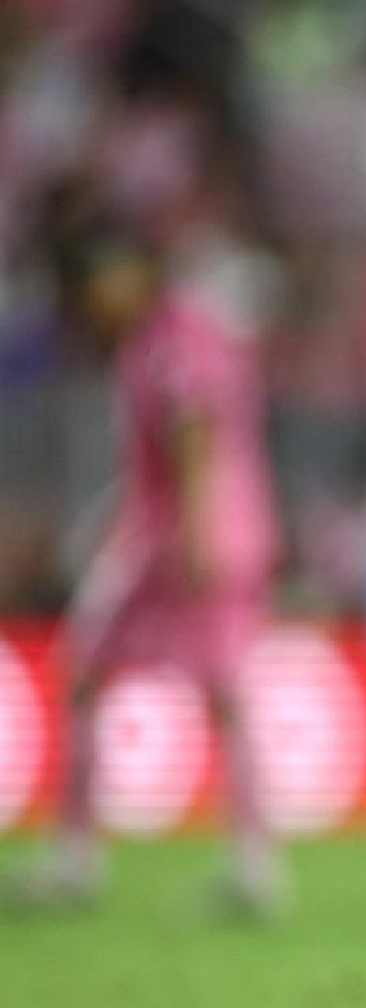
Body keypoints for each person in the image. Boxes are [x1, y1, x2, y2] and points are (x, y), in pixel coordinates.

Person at [4, 203, 282, 918]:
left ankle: (85, 861)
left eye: (102, 278)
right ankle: (249, 868)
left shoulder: (173, 340)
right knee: (206, 692)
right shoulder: (170, 334)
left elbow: (193, 431)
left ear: (133, 271)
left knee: (109, 678)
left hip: (190, 538)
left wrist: (194, 533)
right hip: (197, 531)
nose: (95, 297)